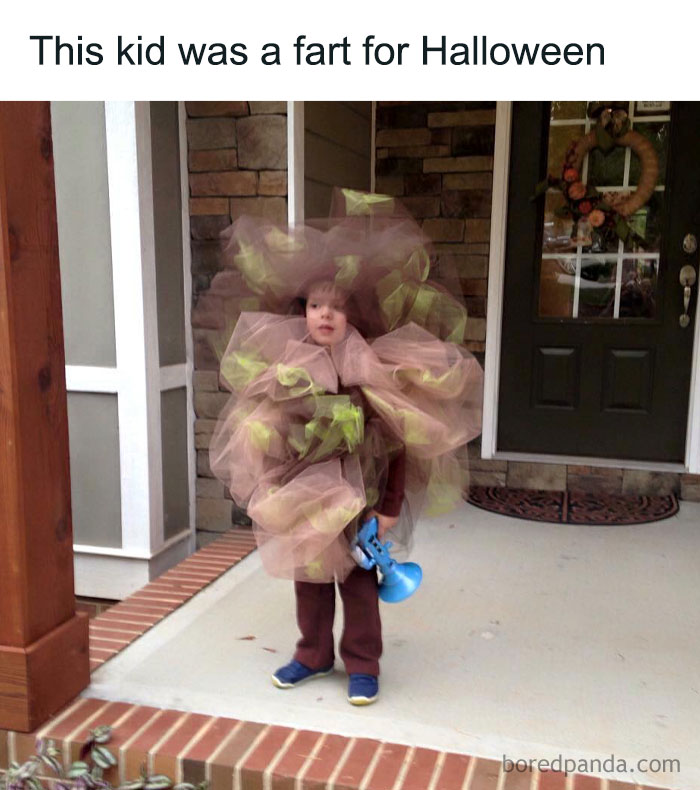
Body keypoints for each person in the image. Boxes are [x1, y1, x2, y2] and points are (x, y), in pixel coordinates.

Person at [207, 188, 484, 705]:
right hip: (303, 490)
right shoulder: (285, 365)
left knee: (358, 580)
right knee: (309, 576)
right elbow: (266, 426)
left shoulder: (369, 370)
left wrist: (389, 506)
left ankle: (363, 661)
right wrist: (272, 480)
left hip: (361, 494)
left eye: (337, 307)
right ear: (302, 310)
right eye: (315, 305)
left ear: (355, 315)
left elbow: (398, 439)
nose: (325, 316)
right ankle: (312, 654)